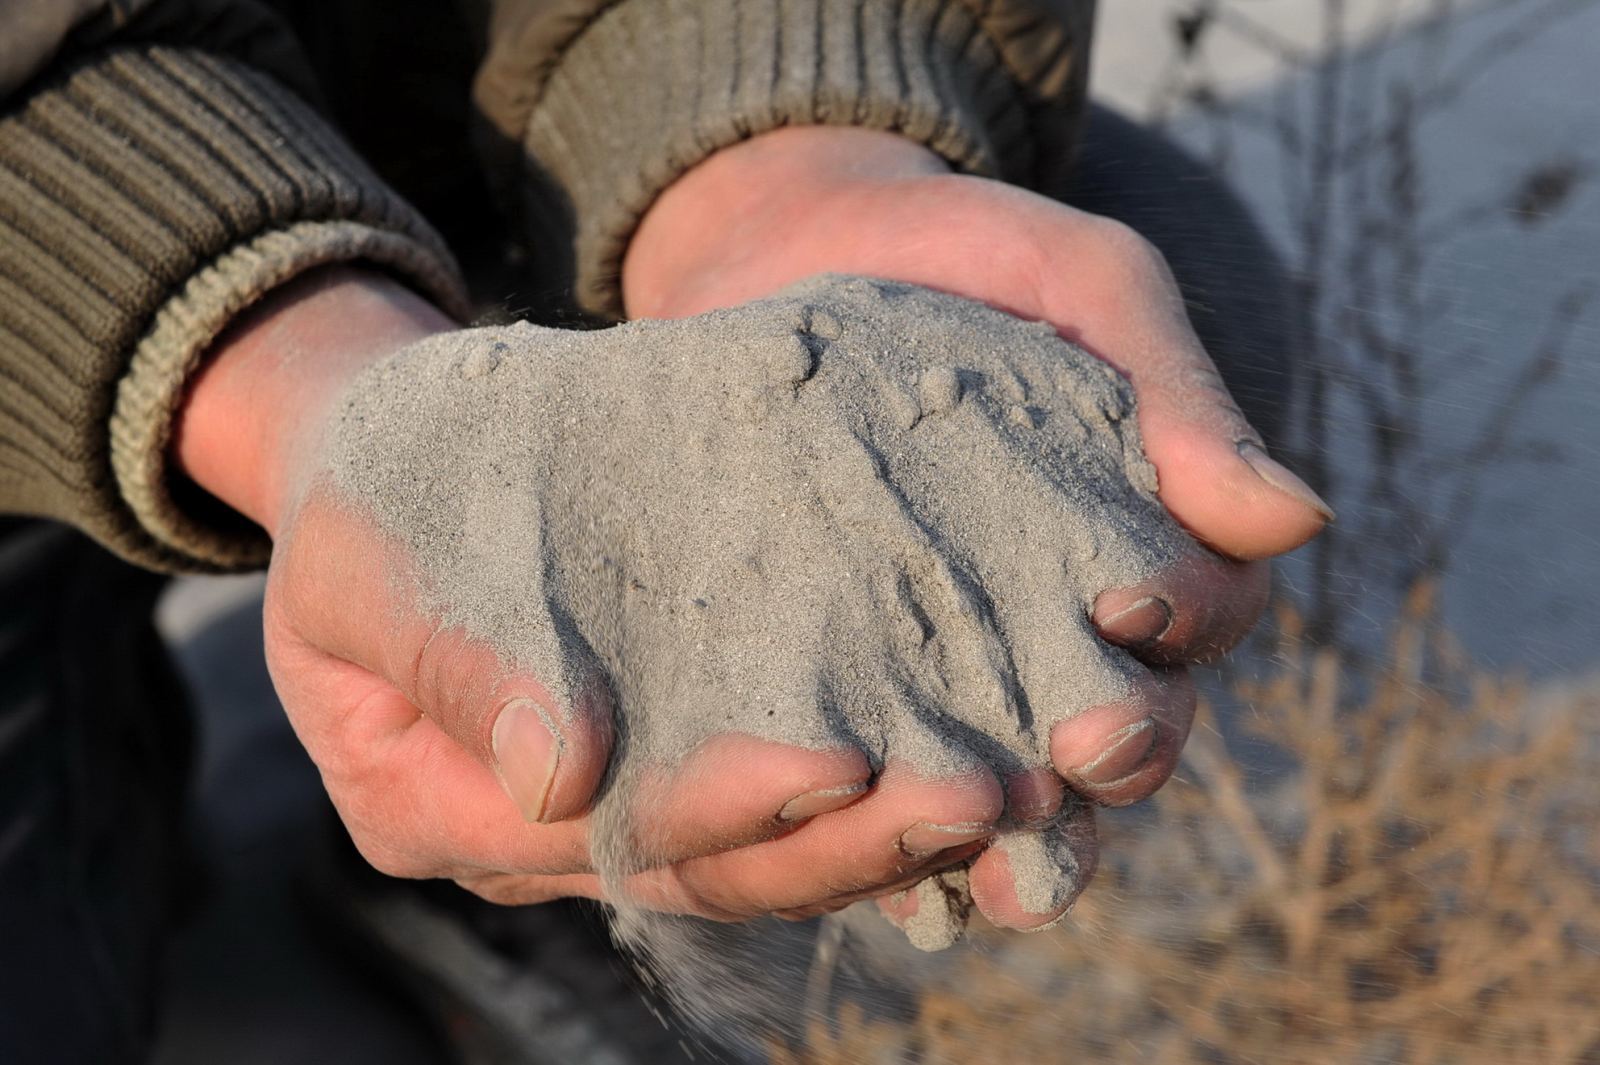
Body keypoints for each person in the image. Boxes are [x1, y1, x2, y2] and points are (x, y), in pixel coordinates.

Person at [0, 0, 1332, 1059]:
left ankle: (506, 889)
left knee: (1144, 313)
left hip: (443, 100)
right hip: (48, 209)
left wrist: (774, 155)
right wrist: (296, 382)